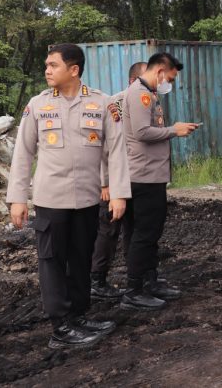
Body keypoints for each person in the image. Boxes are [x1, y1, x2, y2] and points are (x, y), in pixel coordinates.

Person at [7, 43, 131, 349]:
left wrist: (118, 193)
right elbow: (22, 154)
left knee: (80, 260)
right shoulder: (37, 105)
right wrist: (18, 198)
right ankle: (61, 327)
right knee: (51, 262)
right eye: (46, 65)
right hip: (51, 202)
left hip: (87, 200)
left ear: (73, 70)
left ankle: (79, 316)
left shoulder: (103, 103)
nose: (47, 70)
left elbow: (115, 151)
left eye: (53, 65)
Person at [120, 53, 199, 310]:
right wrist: (174, 130)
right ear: (160, 71)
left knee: (147, 232)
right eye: (171, 77)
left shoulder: (148, 93)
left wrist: (174, 129)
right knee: (145, 232)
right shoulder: (140, 94)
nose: (170, 83)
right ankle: (134, 289)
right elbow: (142, 132)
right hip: (144, 176)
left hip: (149, 174)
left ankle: (149, 279)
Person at [90, 62, 147, 300]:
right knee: (108, 230)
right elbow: (104, 145)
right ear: (134, 80)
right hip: (113, 181)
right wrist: (105, 183)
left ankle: (136, 273)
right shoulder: (115, 104)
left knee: (133, 229)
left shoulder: (147, 100)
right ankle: (97, 279)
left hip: (134, 178)